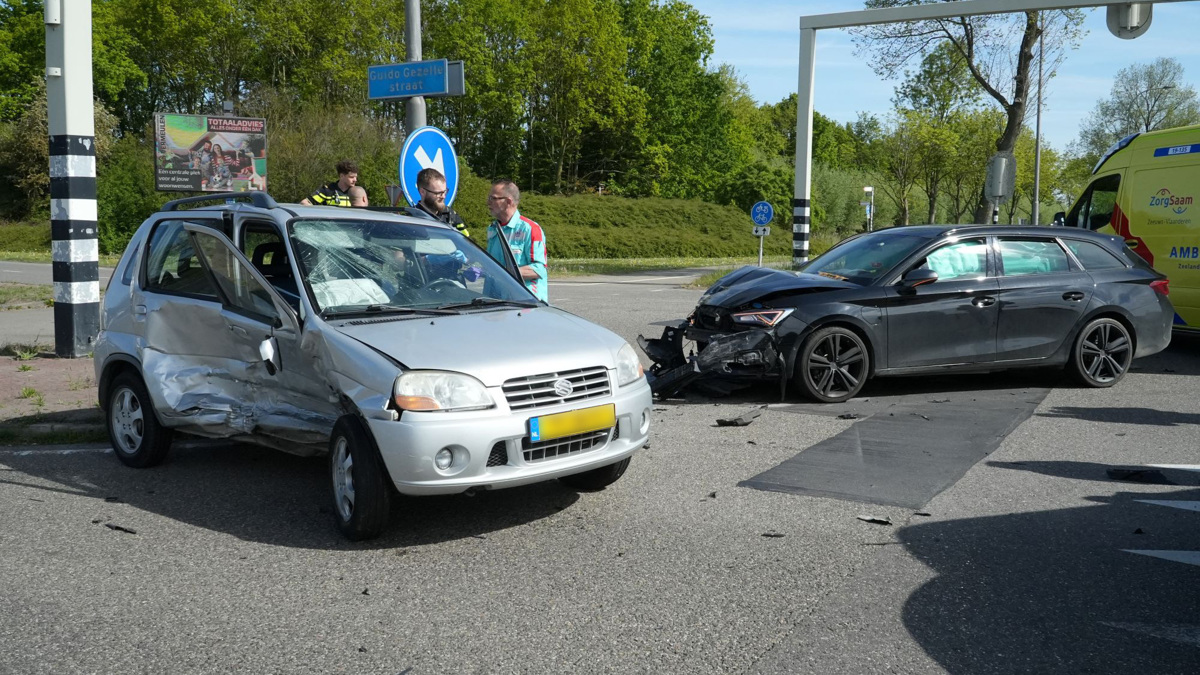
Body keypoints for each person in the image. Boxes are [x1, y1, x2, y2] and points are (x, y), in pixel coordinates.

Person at [486, 179, 547, 302]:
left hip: (524, 304)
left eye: (493, 198)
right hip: (495, 303)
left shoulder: (530, 229)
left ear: (508, 201)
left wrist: (501, 272)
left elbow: (539, 269)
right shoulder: (492, 228)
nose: (488, 202)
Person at [413, 168, 469, 237]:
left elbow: (466, 240)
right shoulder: (411, 218)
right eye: (439, 193)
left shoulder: (450, 215)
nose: (443, 196)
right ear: (422, 192)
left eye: (445, 192)